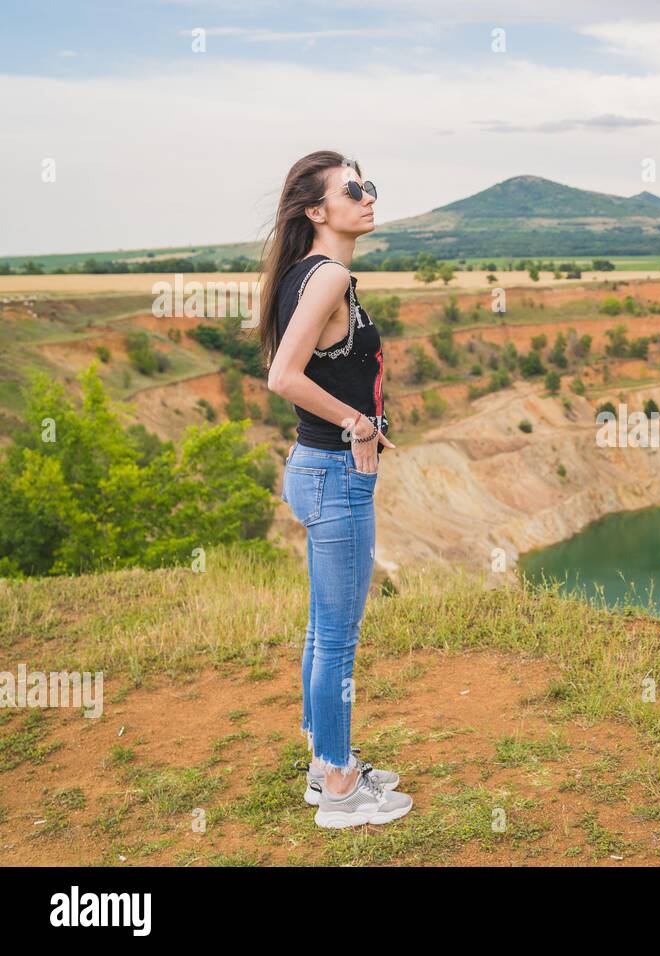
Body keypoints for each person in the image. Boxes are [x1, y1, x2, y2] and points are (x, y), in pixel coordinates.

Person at [262, 150, 410, 828]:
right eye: (353, 189)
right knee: (337, 638)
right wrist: (357, 426)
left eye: (369, 184)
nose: (368, 196)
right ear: (317, 211)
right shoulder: (330, 276)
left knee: (325, 631)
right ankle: (342, 787)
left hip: (317, 471)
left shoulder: (304, 274)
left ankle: (328, 765)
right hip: (334, 474)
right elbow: (284, 377)